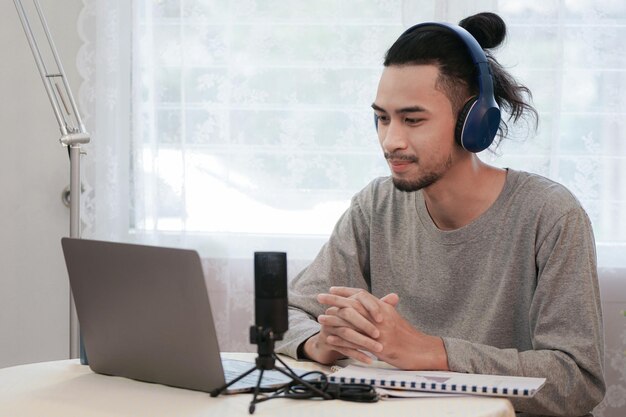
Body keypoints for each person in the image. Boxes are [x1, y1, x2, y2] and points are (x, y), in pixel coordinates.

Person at [274, 11, 605, 417]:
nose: (390, 141)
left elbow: (577, 381)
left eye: (412, 120)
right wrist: (320, 343)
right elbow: (284, 314)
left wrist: (431, 351)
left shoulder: (550, 215)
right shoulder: (375, 206)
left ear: (474, 123)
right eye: (382, 118)